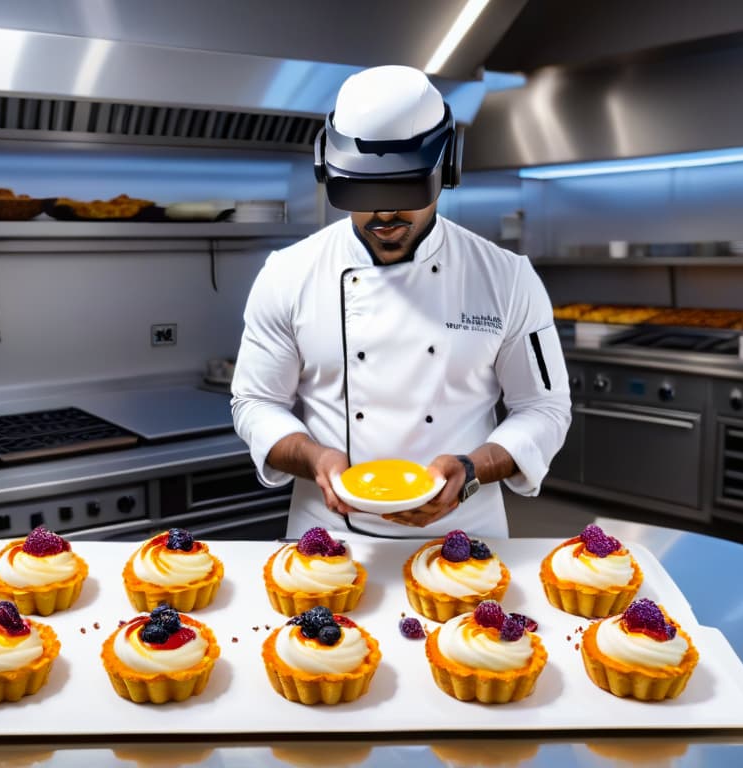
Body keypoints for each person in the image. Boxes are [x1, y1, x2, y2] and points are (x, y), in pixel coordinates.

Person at [231, 64, 571, 539]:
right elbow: (255, 402)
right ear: (328, 170)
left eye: (405, 188)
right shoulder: (288, 274)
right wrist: (315, 457)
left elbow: (544, 409)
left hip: (465, 539)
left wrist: (472, 471)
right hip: (329, 542)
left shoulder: (507, 278)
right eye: (364, 191)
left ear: (447, 167)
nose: (385, 212)